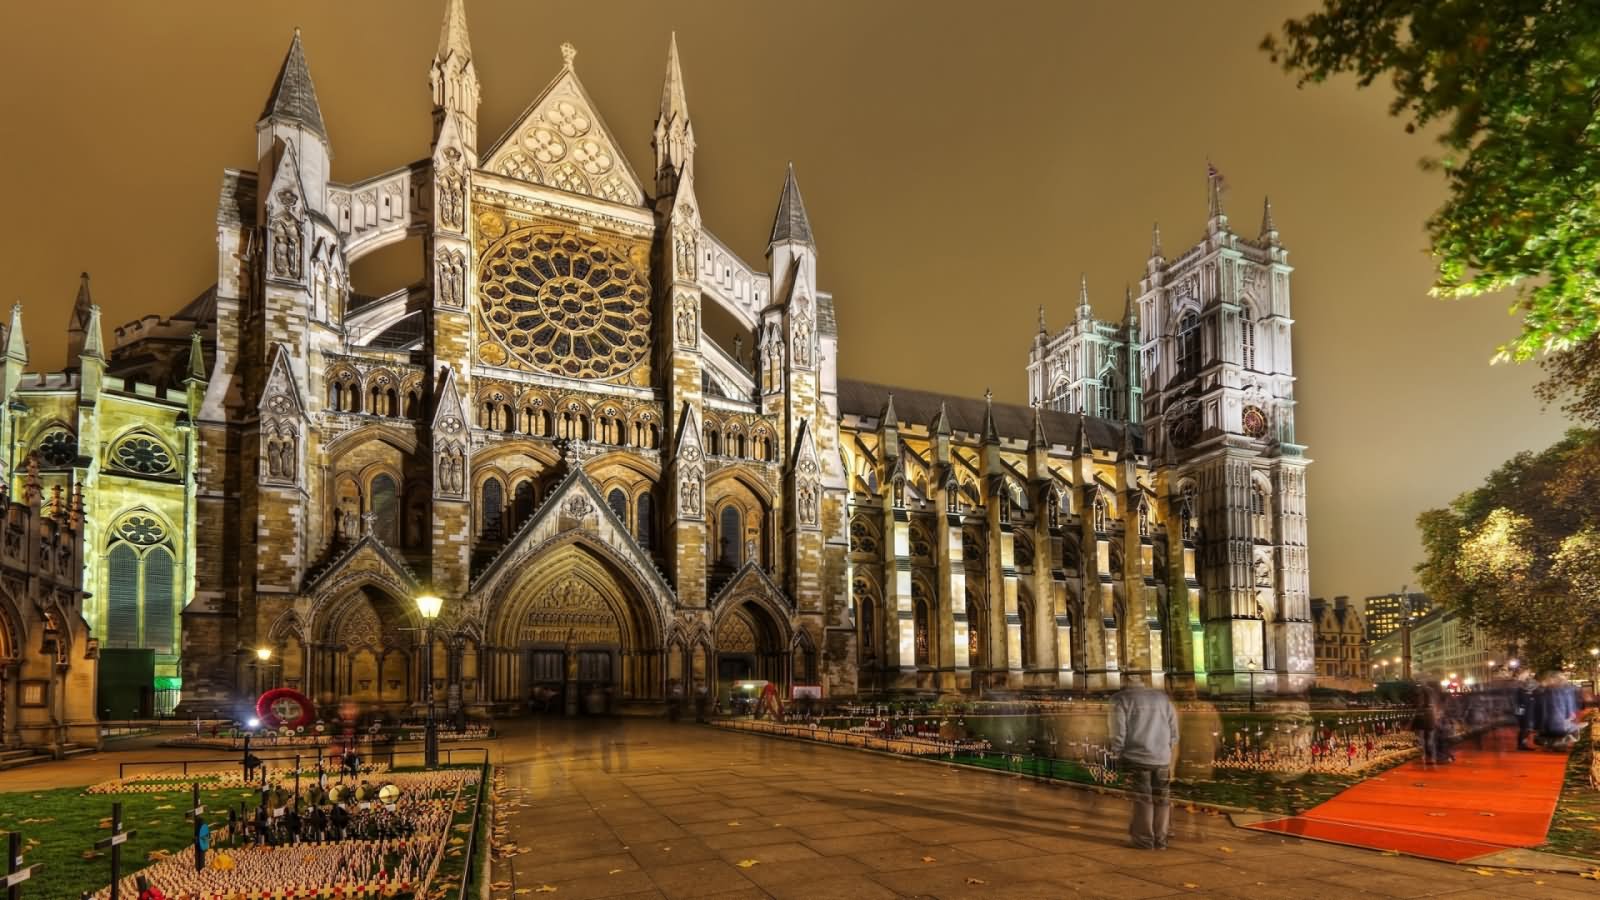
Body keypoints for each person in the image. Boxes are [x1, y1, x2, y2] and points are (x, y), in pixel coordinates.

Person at [1108, 674, 1179, 850]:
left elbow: (1118, 731)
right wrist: (1167, 750)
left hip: (1136, 757)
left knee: (1143, 800)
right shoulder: (1161, 698)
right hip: (1162, 757)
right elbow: (1174, 731)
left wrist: (1117, 753)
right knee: (1162, 800)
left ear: (1124, 680)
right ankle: (1161, 840)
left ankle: (1144, 840)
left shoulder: (1120, 699)